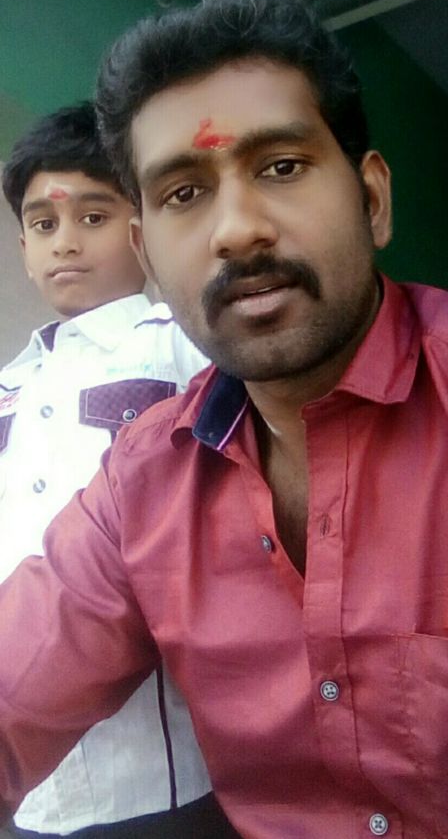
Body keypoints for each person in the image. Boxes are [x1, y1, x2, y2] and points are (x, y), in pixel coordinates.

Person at [2, 0, 448, 836]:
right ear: (148, 250)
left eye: (281, 167)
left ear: (372, 199)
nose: (237, 231)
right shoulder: (141, 485)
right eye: (184, 193)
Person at [0, 103, 238, 838]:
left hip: (158, 773)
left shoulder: (186, 346)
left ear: (141, 228)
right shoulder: (9, 387)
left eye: (93, 217)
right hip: (27, 786)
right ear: (23, 247)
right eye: (44, 225)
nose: (65, 242)